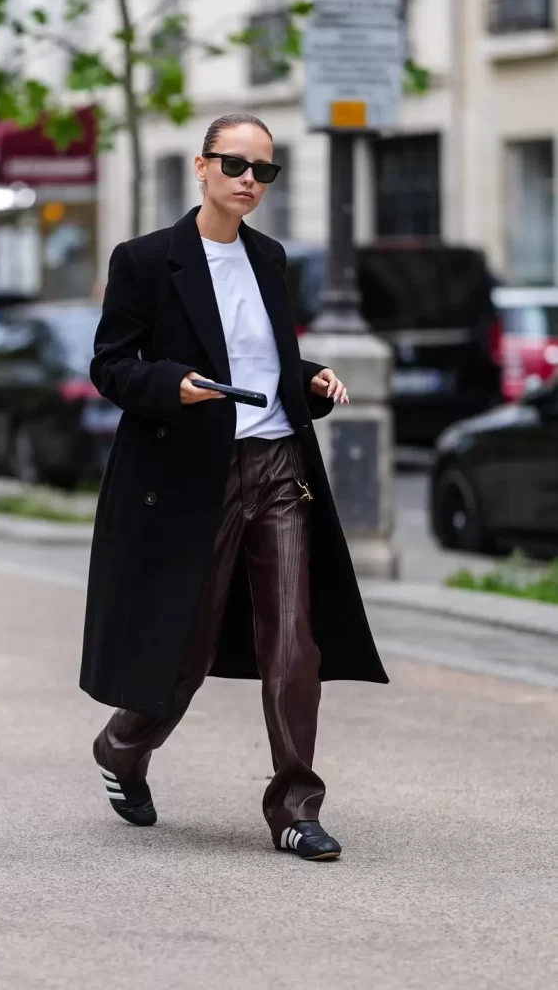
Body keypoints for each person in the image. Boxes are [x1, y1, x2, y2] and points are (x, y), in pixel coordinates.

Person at [80, 113, 389, 861]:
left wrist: (307, 378)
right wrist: (170, 386)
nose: (249, 180)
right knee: (184, 645)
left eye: (263, 170)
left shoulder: (268, 257)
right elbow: (110, 364)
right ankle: (123, 747)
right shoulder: (147, 260)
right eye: (235, 165)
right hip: (194, 474)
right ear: (201, 167)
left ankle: (293, 806)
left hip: (278, 465)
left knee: (293, 639)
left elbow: (266, 363)